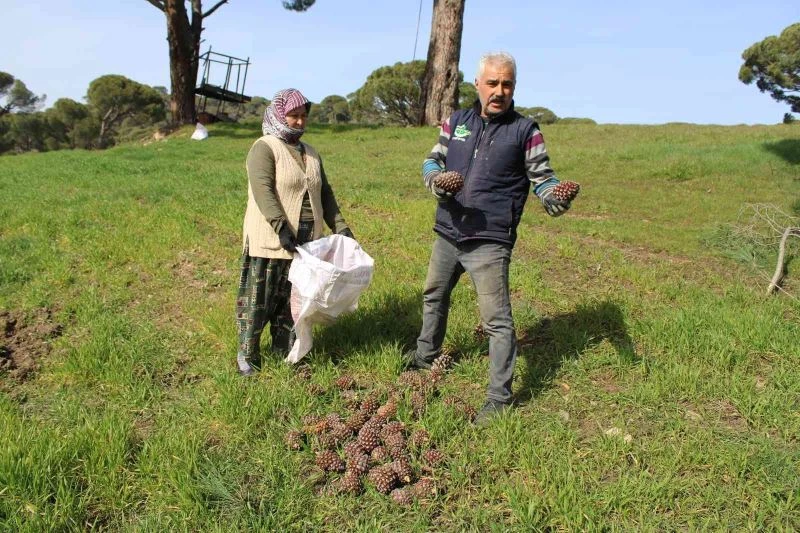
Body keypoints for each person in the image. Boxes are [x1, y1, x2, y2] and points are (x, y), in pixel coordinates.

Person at [405, 52, 576, 424]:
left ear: (514, 86)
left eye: (507, 84)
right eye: (493, 83)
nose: (499, 91)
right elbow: (432, 161)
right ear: (478, 85)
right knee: (434, 295)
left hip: (490, 240)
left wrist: (554, 199)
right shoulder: (457, 122)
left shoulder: (525, 131)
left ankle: (499, 398)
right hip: (449, 231)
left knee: (497, 321)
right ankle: (424, 358)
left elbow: (543, 178)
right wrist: (436, 182)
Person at [236, 88, 354, 376]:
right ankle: (247, 358)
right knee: (258, 301)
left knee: (293, 304)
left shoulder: (310, 153)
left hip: (304, 246)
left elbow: (324, 193)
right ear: (279, 115)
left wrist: (341, 226)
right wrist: (280, 227)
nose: (300, 122)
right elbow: (263, 191)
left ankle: (286, 353)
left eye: (303, 116)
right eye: (294, 116)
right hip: (270, 242)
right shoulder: (264, 147)